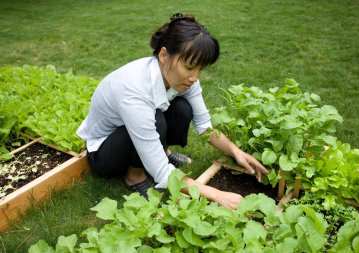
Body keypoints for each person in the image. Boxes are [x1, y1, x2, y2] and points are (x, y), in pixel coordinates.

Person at [76, 13, 268, 210]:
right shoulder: (134, 90)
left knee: (182, 109)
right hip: (105, 153)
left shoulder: (184, 78)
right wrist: (217, 195)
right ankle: (135, 177)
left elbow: (204, 126)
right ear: (164, 55)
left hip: (135, 130)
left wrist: (236, 152)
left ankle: (163, 151)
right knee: (156, 119)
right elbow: (161, 173)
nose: (195, 77)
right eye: (190, 67)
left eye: (200, 69)